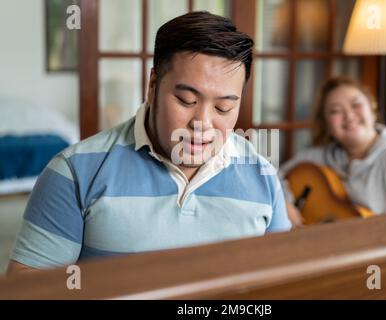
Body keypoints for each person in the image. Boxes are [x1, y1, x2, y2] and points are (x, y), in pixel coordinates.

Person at [7, 11, 291, 274]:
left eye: (223, 108)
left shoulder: (262, 175)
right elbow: (28, 289)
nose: (202, 123)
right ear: (152, 85)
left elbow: (282, 282)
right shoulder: (74, 172)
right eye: (186, 100)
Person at [279, 76, 386, 226]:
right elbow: (272, 176)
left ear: (372, 108)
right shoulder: (318, 157)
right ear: (327, 126)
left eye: (356, 105)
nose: (349, 115)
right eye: (335, 111)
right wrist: (283, 203)